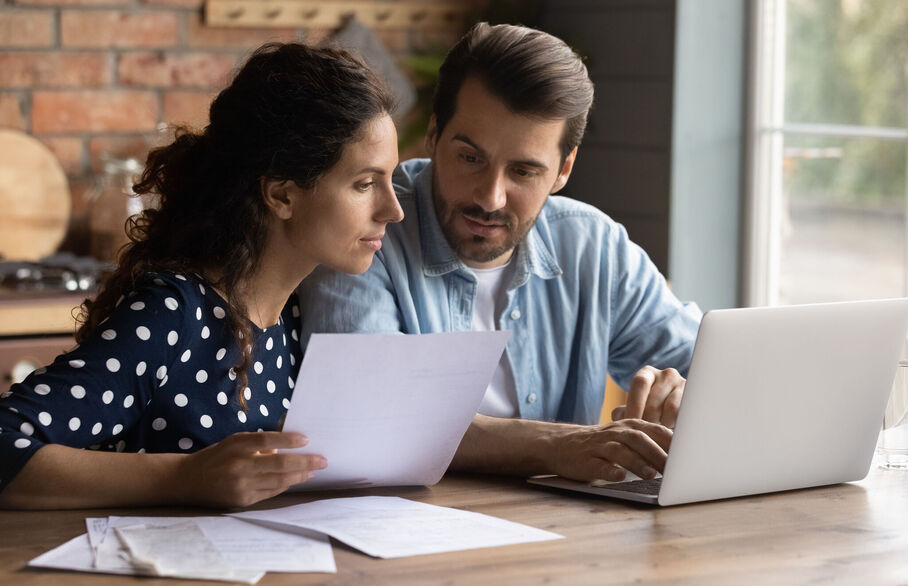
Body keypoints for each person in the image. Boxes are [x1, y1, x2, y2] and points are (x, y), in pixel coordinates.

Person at [0, 43, 404, 509]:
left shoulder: (296, 313)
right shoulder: (173, 315)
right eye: (365, 184)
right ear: (282, 196)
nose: (392, 210)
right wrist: (184, 475)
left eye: (390, 180)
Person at [297, 23, 702, 484]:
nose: (490, 198)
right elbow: (372, 415)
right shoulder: (368, 232)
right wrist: (558, 447)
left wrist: (687, 393)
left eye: (524, 172)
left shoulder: (594, 246)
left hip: (567, 535)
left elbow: (713, 368)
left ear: (563, 170)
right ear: (433, 135)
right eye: (470, 158)